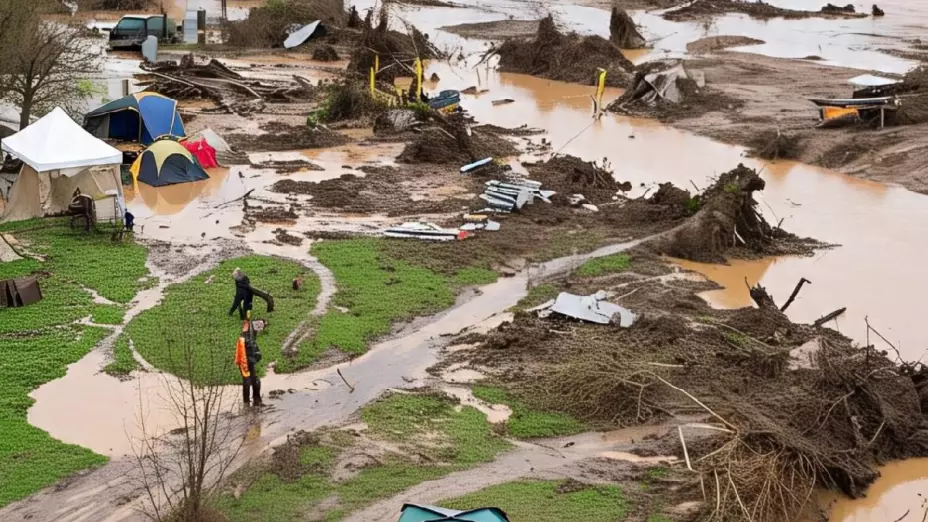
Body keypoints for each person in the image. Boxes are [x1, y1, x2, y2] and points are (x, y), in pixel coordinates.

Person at [234, 313, 263, 406]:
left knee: (255, 381)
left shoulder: (251, 333)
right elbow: (241, 356)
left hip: (250, 360)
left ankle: (256, 399)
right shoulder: (242, 340)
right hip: (244, 362)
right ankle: (246, 402)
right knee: (247, 382)